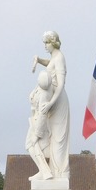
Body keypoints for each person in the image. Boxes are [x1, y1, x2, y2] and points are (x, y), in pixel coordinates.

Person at [29, 30, 70, 181]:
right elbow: (50, 64)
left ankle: (60, 175)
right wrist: (40, 60)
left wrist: (51, 103)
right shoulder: (54, 57)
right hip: (52, 100)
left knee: (58, 139)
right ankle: (49, 172)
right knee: (51, 138)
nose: (45, 46)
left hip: (58, 101)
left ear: (53, 42)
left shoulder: (60, 57)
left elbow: (61, 84)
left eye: (46, 43)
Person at [25, 69, 54, 180]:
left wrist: (37, 134)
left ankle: (44, 171)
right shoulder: (39, 88)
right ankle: (42, 170)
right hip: (34, 119)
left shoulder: (44, 94)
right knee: (31, 146)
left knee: (32, 145)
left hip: (39, 124)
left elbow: (43, 114)